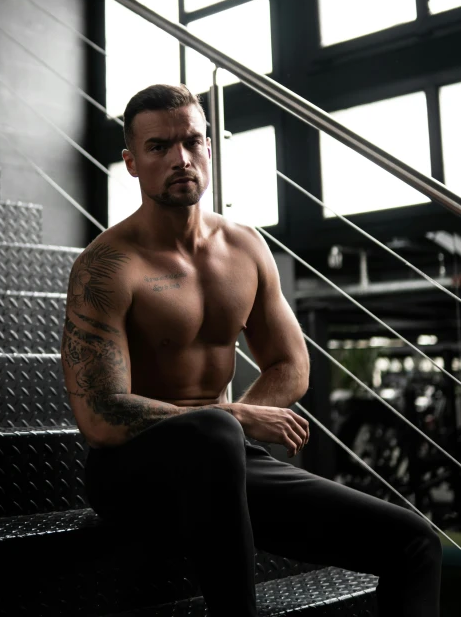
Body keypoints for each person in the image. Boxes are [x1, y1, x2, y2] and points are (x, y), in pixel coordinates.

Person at [60, 83, 442, 617]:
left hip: (226, 459)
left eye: (193, 142)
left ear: (210, 147)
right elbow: (100, 416)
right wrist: (233, 415)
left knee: (414, 541)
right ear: (130, 162)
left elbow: (291, 365)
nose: (180, 158)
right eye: (158, 147)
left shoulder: (245, 248)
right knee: (214, 432)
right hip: (132, 471)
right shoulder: (106, 266)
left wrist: (229, 427)